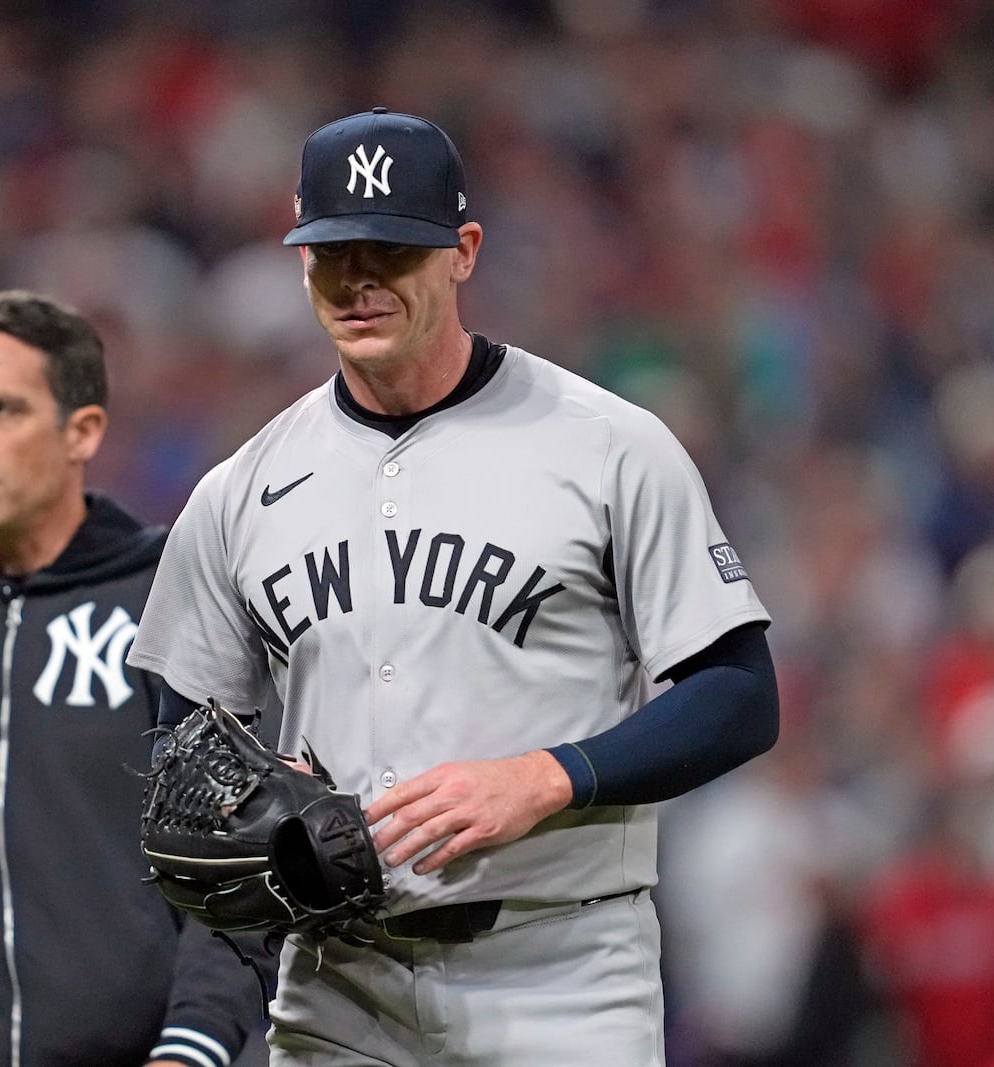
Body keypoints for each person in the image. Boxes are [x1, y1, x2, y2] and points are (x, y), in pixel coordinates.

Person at [124, 109, 781, 1066]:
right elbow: (177, 745)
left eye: (393, 249)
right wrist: (251, 802)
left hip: (562, 975)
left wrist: (550, 775)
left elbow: (740, 694)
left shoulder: (606, 447)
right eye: (332, 250)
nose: (359, 279)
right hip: (336, 988)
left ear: (462, 251)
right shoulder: (239, 491)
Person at [0, 290, 270, 1067]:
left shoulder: (168, 602)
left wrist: (191, 1046)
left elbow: (233, 864)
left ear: (82, 431)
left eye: (0, 410)